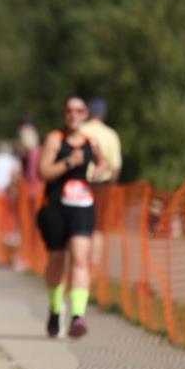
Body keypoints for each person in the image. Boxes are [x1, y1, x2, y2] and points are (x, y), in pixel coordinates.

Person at [37, 96, 108, 339]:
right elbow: (43, 172)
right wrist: (69, 162)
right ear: (65, 114)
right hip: (56, 206)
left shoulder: (90, 141)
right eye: (69, 110)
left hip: (82, 206)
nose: (74, 114)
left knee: (80, 258)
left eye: (79, 110)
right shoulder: (55, 139)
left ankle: (78, 315)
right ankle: (56, 310)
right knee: (57, 261)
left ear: (86, 114)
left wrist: (97, 172)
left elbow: (103, 163)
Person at [80, 97, 123, 281]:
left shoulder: (81, 130)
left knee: (81, 227)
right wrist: (112, 184)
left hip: (81, 184)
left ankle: (81, 262)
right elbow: (116, 166)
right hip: (103, 186)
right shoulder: (110, 135)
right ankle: (93, 268)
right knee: (98, 228)